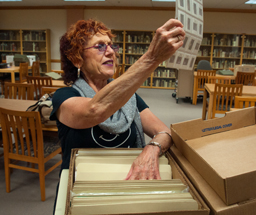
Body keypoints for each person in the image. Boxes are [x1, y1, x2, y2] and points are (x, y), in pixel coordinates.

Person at [50, 18, 185, 180]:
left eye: (111, 45)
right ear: (77, 59)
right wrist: (151, 58)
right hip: (81, 185)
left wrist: (152, 148)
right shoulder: (64, 96)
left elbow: (164, 132)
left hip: (124, 179)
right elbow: (94, 110)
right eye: (100, 46)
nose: (110, 52)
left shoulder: (129, 97)